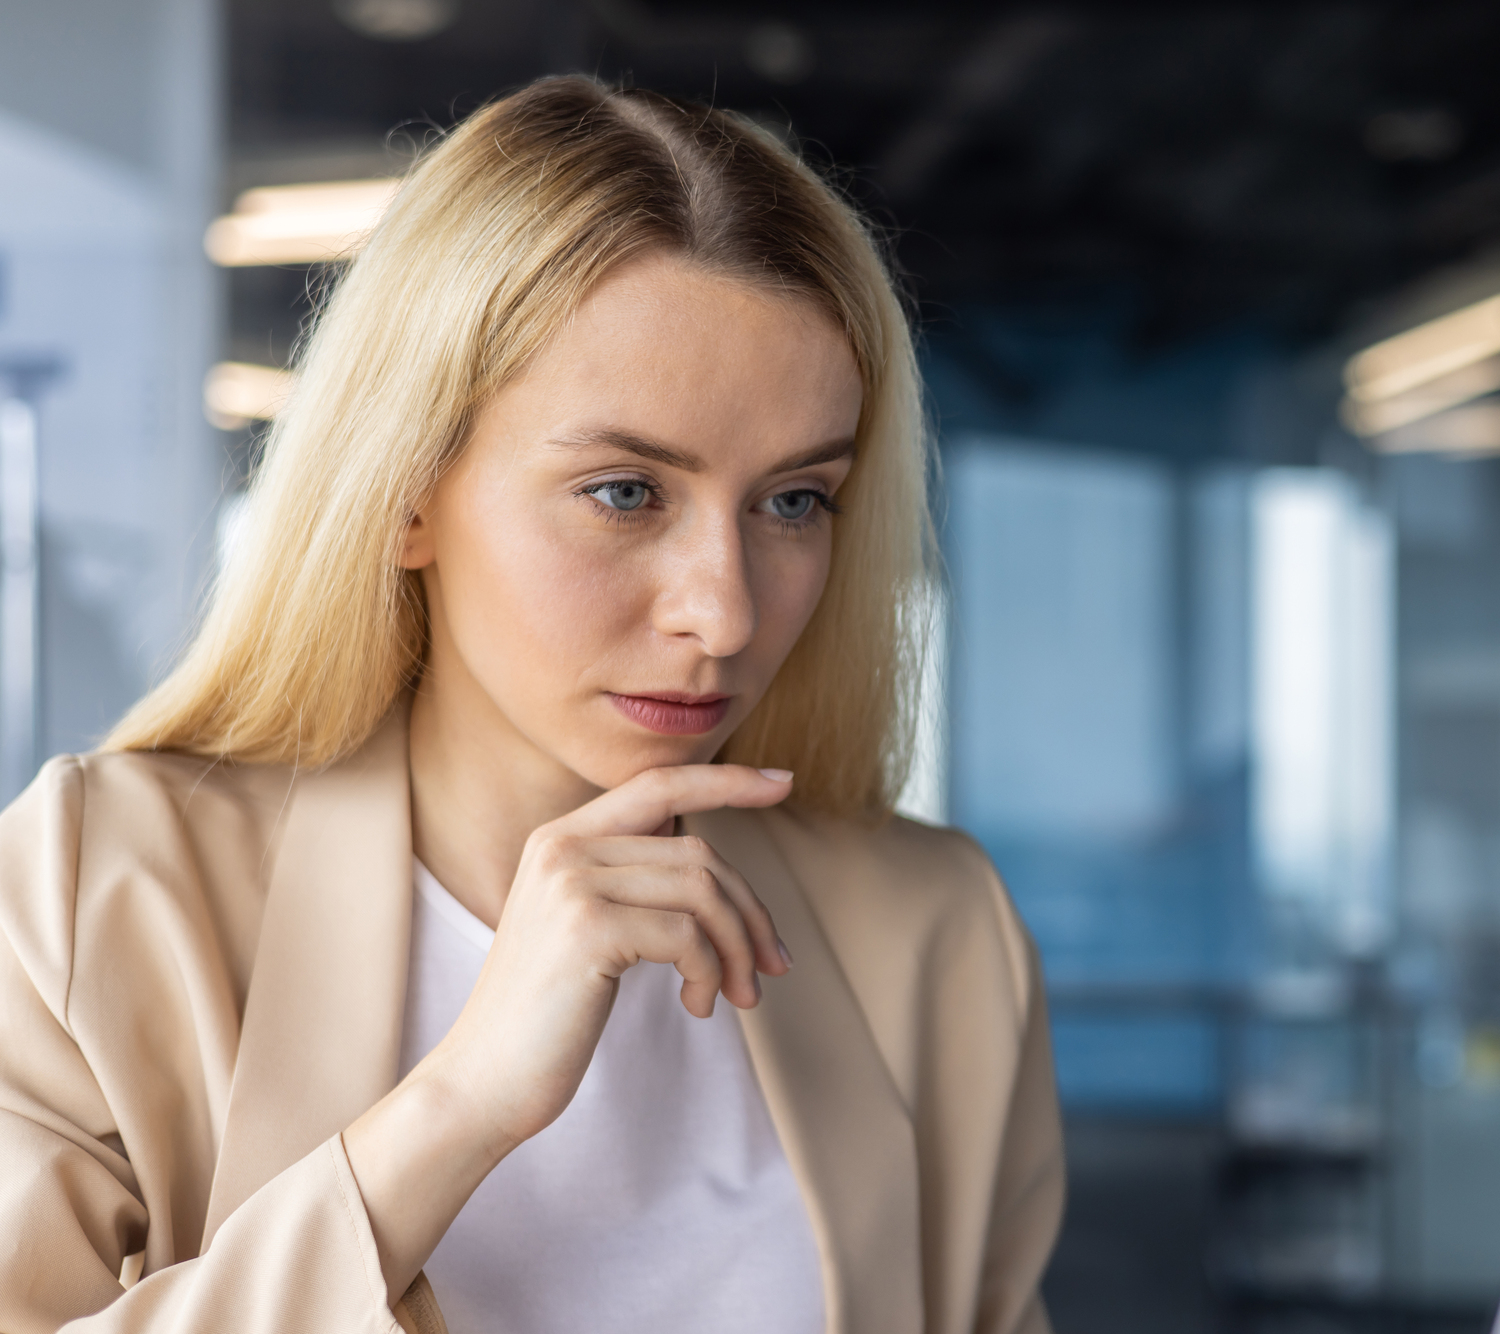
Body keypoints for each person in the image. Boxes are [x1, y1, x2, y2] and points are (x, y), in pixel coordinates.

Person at [0, 76, 1062, 1334]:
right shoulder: (96, 885)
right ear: (403, 491)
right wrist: (458, 1107)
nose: (722, 615)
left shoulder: (934, 931)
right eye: (625, 492)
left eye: (792, 500)